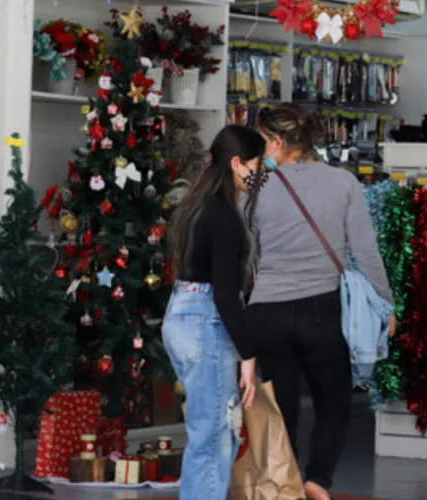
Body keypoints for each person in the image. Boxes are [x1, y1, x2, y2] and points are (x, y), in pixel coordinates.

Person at [249, 104, 395, 500]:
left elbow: (247, 251)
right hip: (321, 309)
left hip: (266, 311)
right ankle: (317, 479)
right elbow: (365, 252)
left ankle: (285, 482)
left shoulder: (254, 184)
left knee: (281, 407)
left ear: (278, 141)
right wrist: (386, 304)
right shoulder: (343, 183)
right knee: (333, 401)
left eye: (262, 141)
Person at [163, 125, 265, 500]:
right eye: (257, 164)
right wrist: (248, 354)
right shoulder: (225, 217)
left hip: (182, 315)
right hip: (207, 322)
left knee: (205, 433)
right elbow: (225, 294)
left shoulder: (196, 206)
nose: (260, 173)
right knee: (215, 440)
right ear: (237, 163)